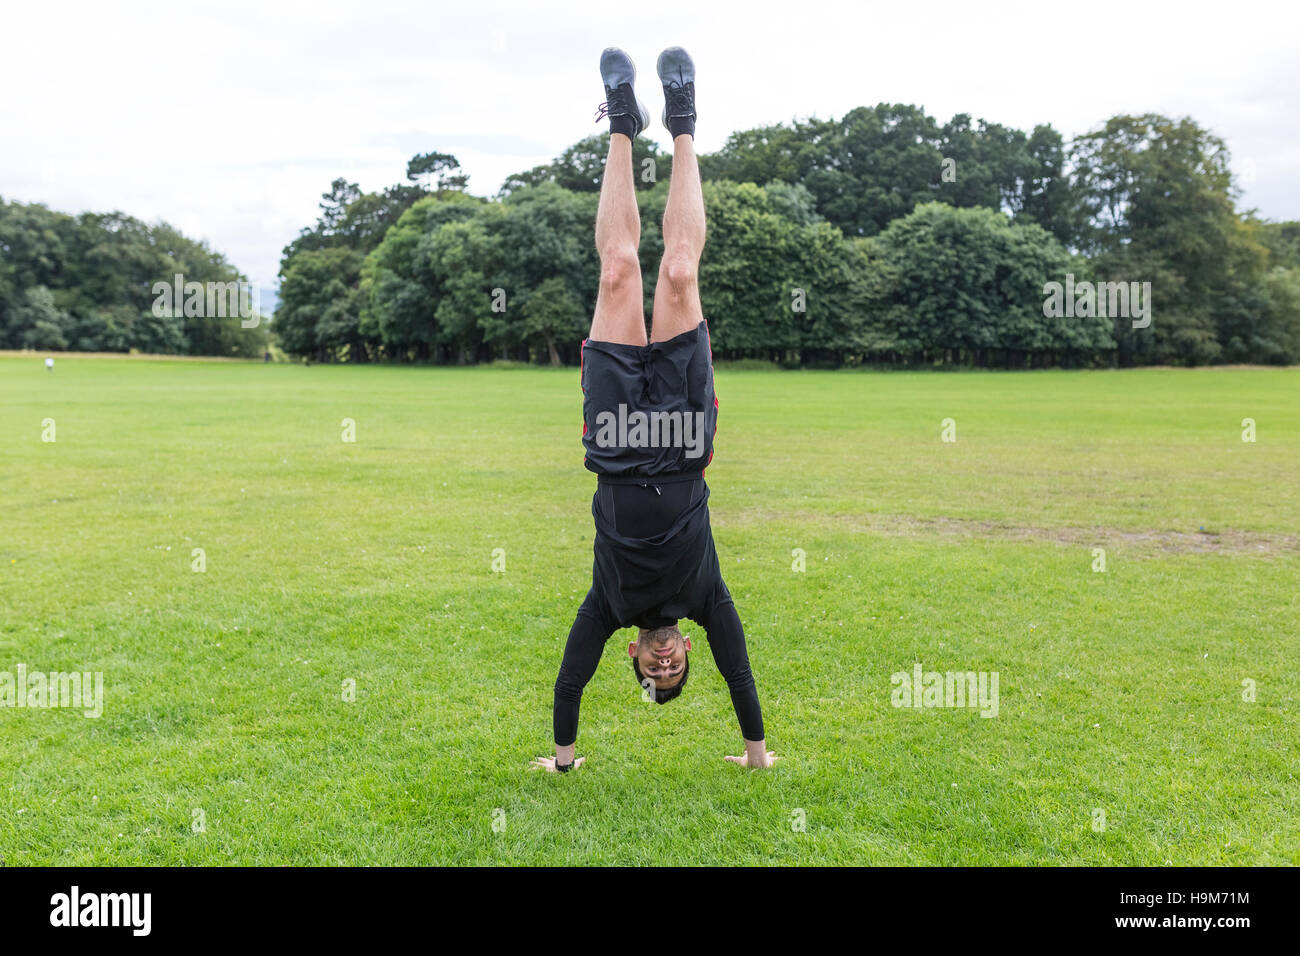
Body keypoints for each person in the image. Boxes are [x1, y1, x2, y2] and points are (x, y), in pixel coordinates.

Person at [532, 47, 776, 773]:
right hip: (680, 439)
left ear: (632, 656)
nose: (665, 660)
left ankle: (619, 122)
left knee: (617, 273)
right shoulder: (707, 599)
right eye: (674, 670)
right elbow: (741, 677)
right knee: (676, 270)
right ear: (686, 650)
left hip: (611, 442)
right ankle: (683, 122)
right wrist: (756, 755)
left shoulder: (606, 609)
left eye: (652, 669)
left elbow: (570, 681)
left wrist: (564, 762)